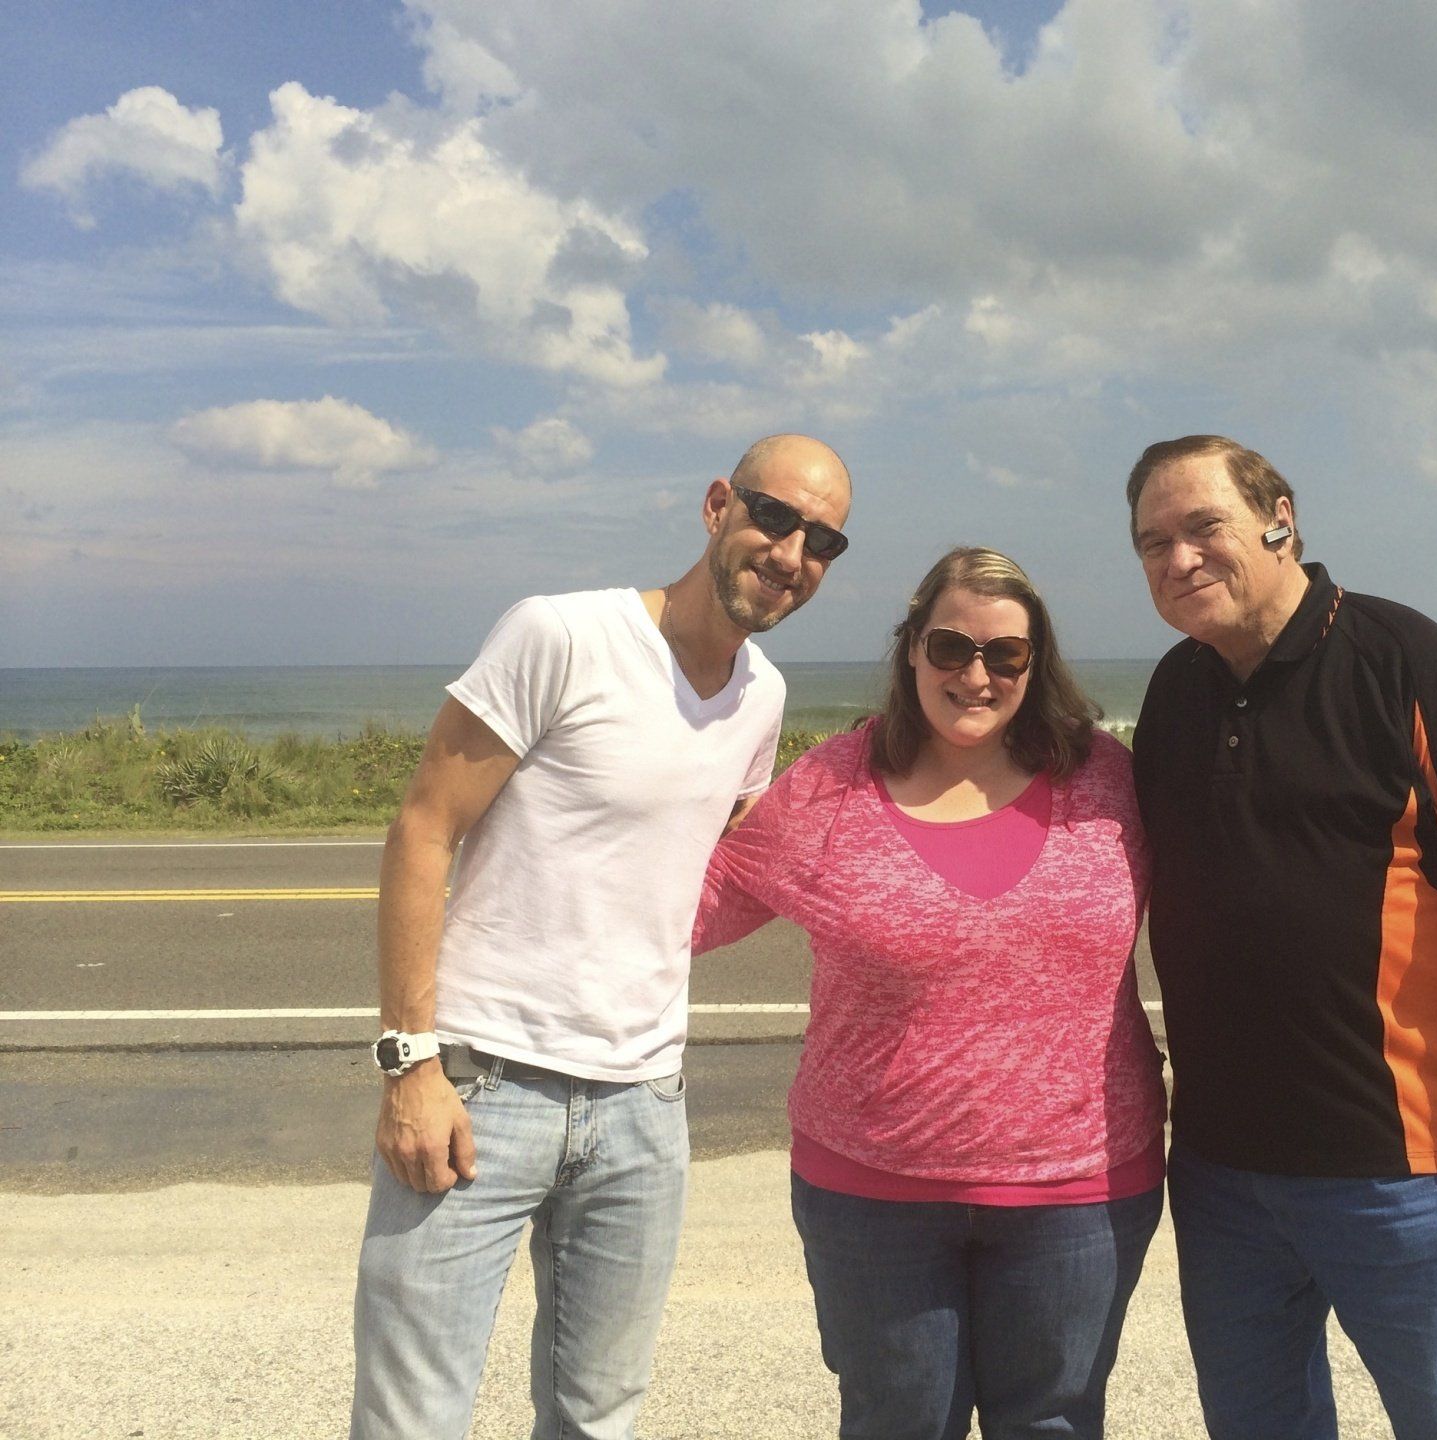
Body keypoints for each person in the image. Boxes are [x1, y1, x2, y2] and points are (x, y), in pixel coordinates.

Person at [350, 434, 853, 1440]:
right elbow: (422, 829)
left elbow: (713, 859)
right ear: (718, 505)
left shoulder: (765, 696)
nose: (792, 554)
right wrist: (410, 1066)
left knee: (600, 1417)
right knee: (414, 1419)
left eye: (824, 541)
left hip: (643, 1107)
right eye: (775, 517)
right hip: (485, 1086)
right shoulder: (562, 634)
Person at [1125, 434, 1437, 1440]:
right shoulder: (1174, 692)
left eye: (1204, 528)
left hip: (1405, 1166)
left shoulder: (1405, 660)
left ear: (1278, 516)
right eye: (1152, 543)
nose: (1179, 560)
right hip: (1222, 1172)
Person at [693, 546, 1167, 1440]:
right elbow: (690, 910)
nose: (975, 675)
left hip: (1079, 1190)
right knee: (896, 1425)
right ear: (911, 649)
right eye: (949, 647)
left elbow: (1244, 891)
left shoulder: (1108, 780)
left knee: (1058, 1425)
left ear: (1037, 663)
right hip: (873, 1194)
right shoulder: (829, 786)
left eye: (1005, 655)